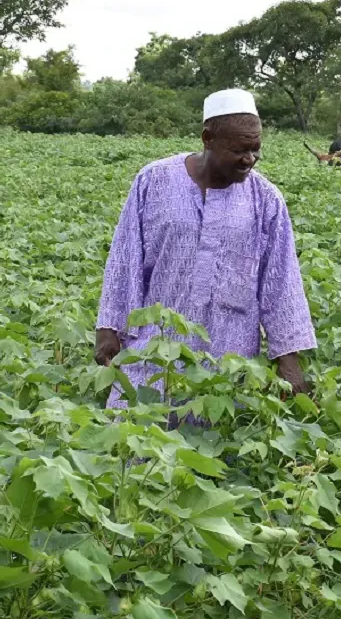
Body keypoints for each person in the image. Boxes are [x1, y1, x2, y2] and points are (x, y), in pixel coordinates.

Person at [94, 88, 317, 419]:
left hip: (229, 352)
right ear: (207, 138)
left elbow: (281, 283)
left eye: (256, 150)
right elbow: (125, 258)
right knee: (137, 439)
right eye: (239, 150)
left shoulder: (266, 199)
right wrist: (109, 325)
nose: (249, 160)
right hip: (155, 344)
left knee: (216, 447)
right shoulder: (154, 181)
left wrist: (288, 359)